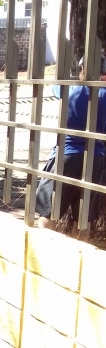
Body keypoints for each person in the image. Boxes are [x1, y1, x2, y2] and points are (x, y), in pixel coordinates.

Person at [36, 56, 106, 241]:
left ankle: (43, 249)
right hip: (96, 158)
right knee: (83, 220)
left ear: (81, 68)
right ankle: (79, 255)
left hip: (66, 155)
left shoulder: (69, 88)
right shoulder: (105, 94)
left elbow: (56, 85)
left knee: (48, 211)